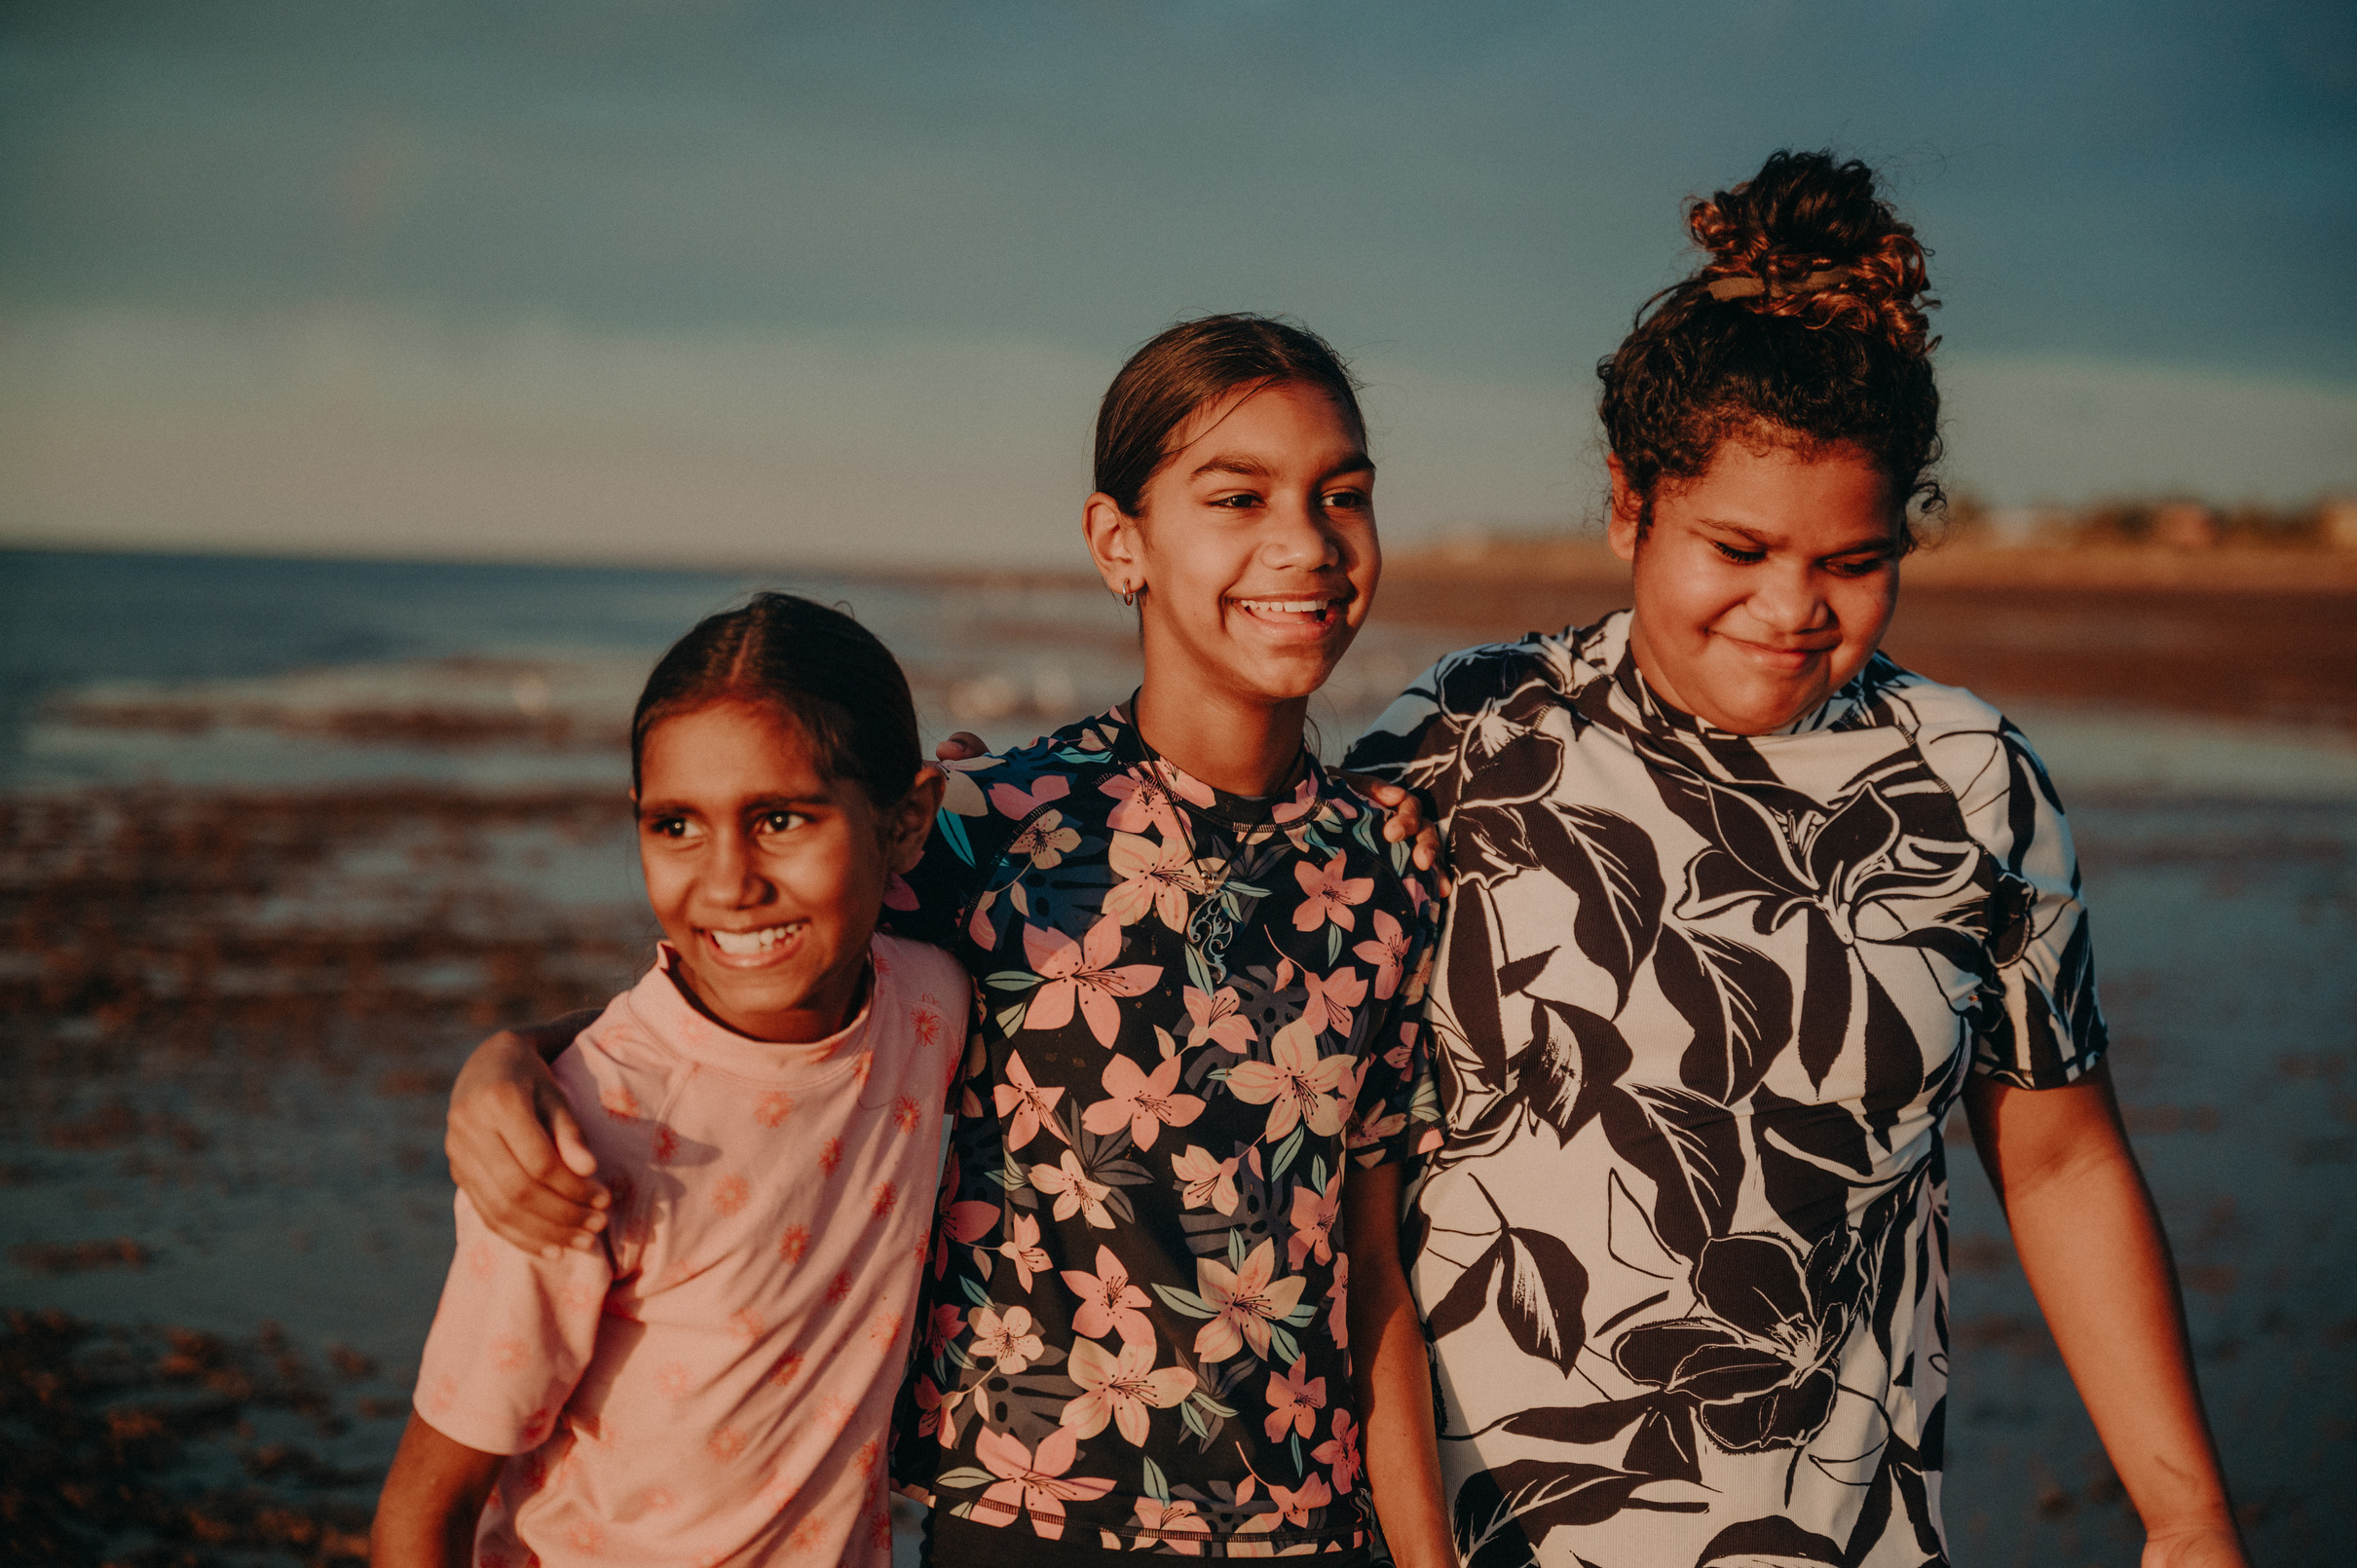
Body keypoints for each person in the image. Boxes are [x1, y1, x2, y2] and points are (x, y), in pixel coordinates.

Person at [1343, 151, 2247, 1566]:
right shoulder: (1471, 735)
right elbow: (1324, 1143)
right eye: (1739, 546)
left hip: (1839, 1535)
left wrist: (2185, 1507)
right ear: (1628, 505)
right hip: (1468, 1537)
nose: (1791, 607)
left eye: (1852, 560)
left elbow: (2062, 1162)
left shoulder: (1972, 787)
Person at [442, 316, 1461, 1566]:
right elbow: (741, 994)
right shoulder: (986, 827)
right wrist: (510, 1058)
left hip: (1314, 1529)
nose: (1302, 541)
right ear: (1117, 544)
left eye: (1340, 493)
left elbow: (1371, 1264)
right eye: (1237, 495)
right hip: (1021, 1520)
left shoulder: (1385, 867)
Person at [371, 594, 960, 1567]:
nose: (727, 880)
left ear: (905, 824)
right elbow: (422, 1513)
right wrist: (519, 1054)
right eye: (676, 824)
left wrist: (513, 1037)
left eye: (780, 818)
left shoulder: (931, 1001)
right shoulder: (576, 1133)